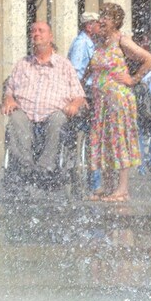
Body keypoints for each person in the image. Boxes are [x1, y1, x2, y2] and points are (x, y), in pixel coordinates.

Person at [1, 22, 88, 191]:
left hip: (53, 114)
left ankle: (45, 168)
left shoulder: (64, 65)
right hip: (26, 114)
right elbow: (9, 91)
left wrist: (74, 105)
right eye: (33, 31)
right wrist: (9, 100)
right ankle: (25, 168)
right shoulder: (22, 64)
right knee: (16, 118)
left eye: (41, 31)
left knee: (58, 119)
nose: (36, 34)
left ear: (51, 37)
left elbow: (79, 95)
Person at [87, 3, 151, 202]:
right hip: (102, 102)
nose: (101, 20)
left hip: (118, 99)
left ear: (115, 21)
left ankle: (122, 189)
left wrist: (133, 79)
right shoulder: (101, 42)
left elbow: (150, 60)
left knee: (118, 140)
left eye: (106, 17)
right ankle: (109, 187)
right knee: (105, 141)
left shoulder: (122, 41)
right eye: (101, 16)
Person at [67, 12, 101, 191]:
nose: (100, 26)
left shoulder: (90, 43)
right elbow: (75, 73)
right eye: (97, 23)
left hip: (90, 91)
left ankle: (93, 179)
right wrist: (79, 97)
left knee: (93, 134)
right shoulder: (81, 44)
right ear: (89, 26)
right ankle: (90, 180)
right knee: (89, 134)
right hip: (85, 93)